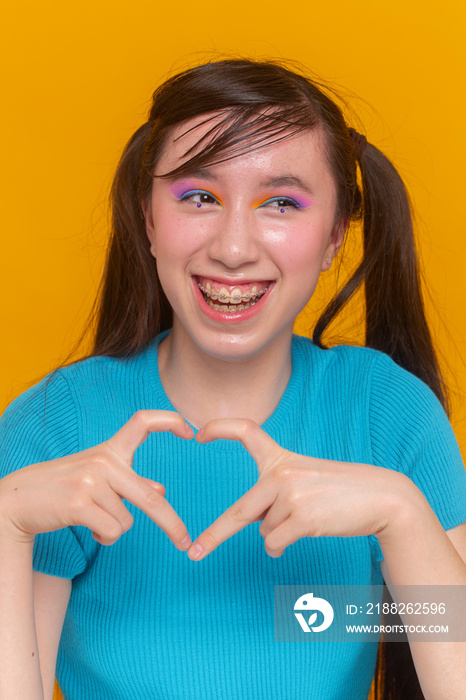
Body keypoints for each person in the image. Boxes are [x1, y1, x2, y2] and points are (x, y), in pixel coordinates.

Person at [0, 58, 465, 700]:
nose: (235, 247)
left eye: (280, 202)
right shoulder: (54, 427)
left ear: (335, 238)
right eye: (199, 197)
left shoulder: (387, 414)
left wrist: (402, 515)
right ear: (148, 219)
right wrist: (6, 523)